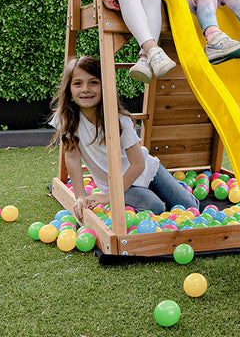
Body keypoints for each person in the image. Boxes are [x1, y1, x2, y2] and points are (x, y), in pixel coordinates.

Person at [49, 56, 201, 217]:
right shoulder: (66, 118)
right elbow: (72, 158)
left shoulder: (120, 121)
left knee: (191, 207)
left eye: (93, 82)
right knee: (155, 207)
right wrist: (80, 197)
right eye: (78, 83)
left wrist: (108, 197)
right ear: (69, 89)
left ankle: (174, 188)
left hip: (148, 170)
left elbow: (138, 164)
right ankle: (151, 194)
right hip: (117, 184)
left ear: (104, 86)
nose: (86, 89)